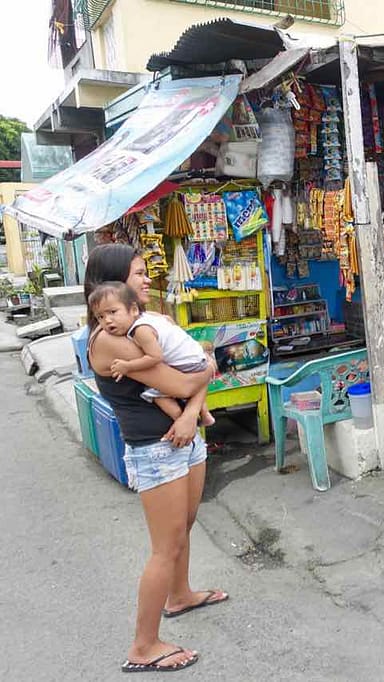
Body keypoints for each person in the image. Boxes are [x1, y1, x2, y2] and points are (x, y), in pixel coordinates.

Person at [84, 244, 226, 673]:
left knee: (183, 527)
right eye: (138, 273)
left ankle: (179, 596)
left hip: (183, 437)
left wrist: (192, 405)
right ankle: (143, 646)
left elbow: (196, 376)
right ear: (111, 284)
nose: (147, 280)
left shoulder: (144, 326)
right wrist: (205, 366)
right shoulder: (109, 341)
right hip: (155, 447)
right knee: (165, 547)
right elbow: (189, 379)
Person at [88, 282, 215, 427]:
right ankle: (203, 414)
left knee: (153, 393)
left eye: (112, 312)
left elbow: (156, 358)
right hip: (197, 359)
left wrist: (128, 366)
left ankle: (180, 418)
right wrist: (209, 366)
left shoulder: (140, 330)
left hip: (189, 364)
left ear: (133, 309)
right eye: (100, 317)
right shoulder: (153, 318)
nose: (107, 320)